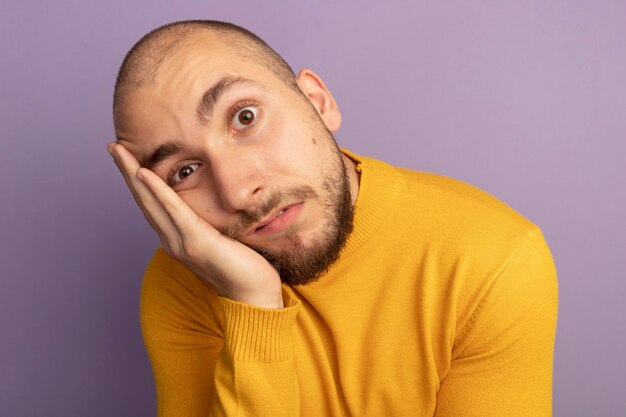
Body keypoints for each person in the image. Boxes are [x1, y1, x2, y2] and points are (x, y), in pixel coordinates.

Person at [108, 20, 558, 417]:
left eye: (245, 117)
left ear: (318, 101)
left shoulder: (491, 257)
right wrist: (251, 303)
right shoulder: (181, 280)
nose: (240, 191)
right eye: (184, 171)